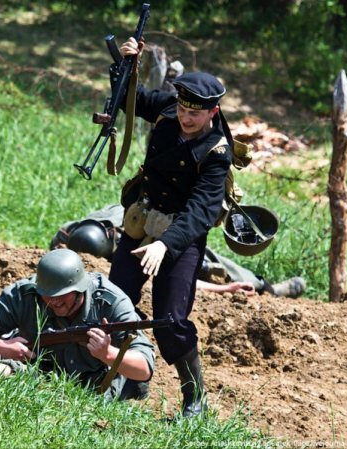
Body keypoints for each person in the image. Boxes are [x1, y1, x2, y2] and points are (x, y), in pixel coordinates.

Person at [102, 36, 235, 418]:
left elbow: (202, 210)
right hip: (143, 221)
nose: (186, 117)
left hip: (181, 236)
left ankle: (195, 399)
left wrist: (166, 246)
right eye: (182, 108)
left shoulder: (216, 152)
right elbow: (133, 100)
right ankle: (126, 378)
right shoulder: (168, 111)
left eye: (196, 113)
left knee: (170, 321)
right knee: (114, 301)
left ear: (213, 112)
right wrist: (125, 64)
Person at [0, 248, 155, 401]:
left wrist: (107, 353)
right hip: (38, 371)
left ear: (80, 288)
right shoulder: (27, 294)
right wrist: (3, 348)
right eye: (48, 295)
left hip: (93, 384)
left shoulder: (111, 302)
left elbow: (144, 369)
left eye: (61, 296)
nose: (54, 301)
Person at [49, 204, 306, 299]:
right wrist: (223, 290)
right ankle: (263, 287)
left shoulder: (123, 223)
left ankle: (265, 286)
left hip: (169, 224)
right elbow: (156, 279)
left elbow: (176, 270)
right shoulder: (70, 236)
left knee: (203, 261)